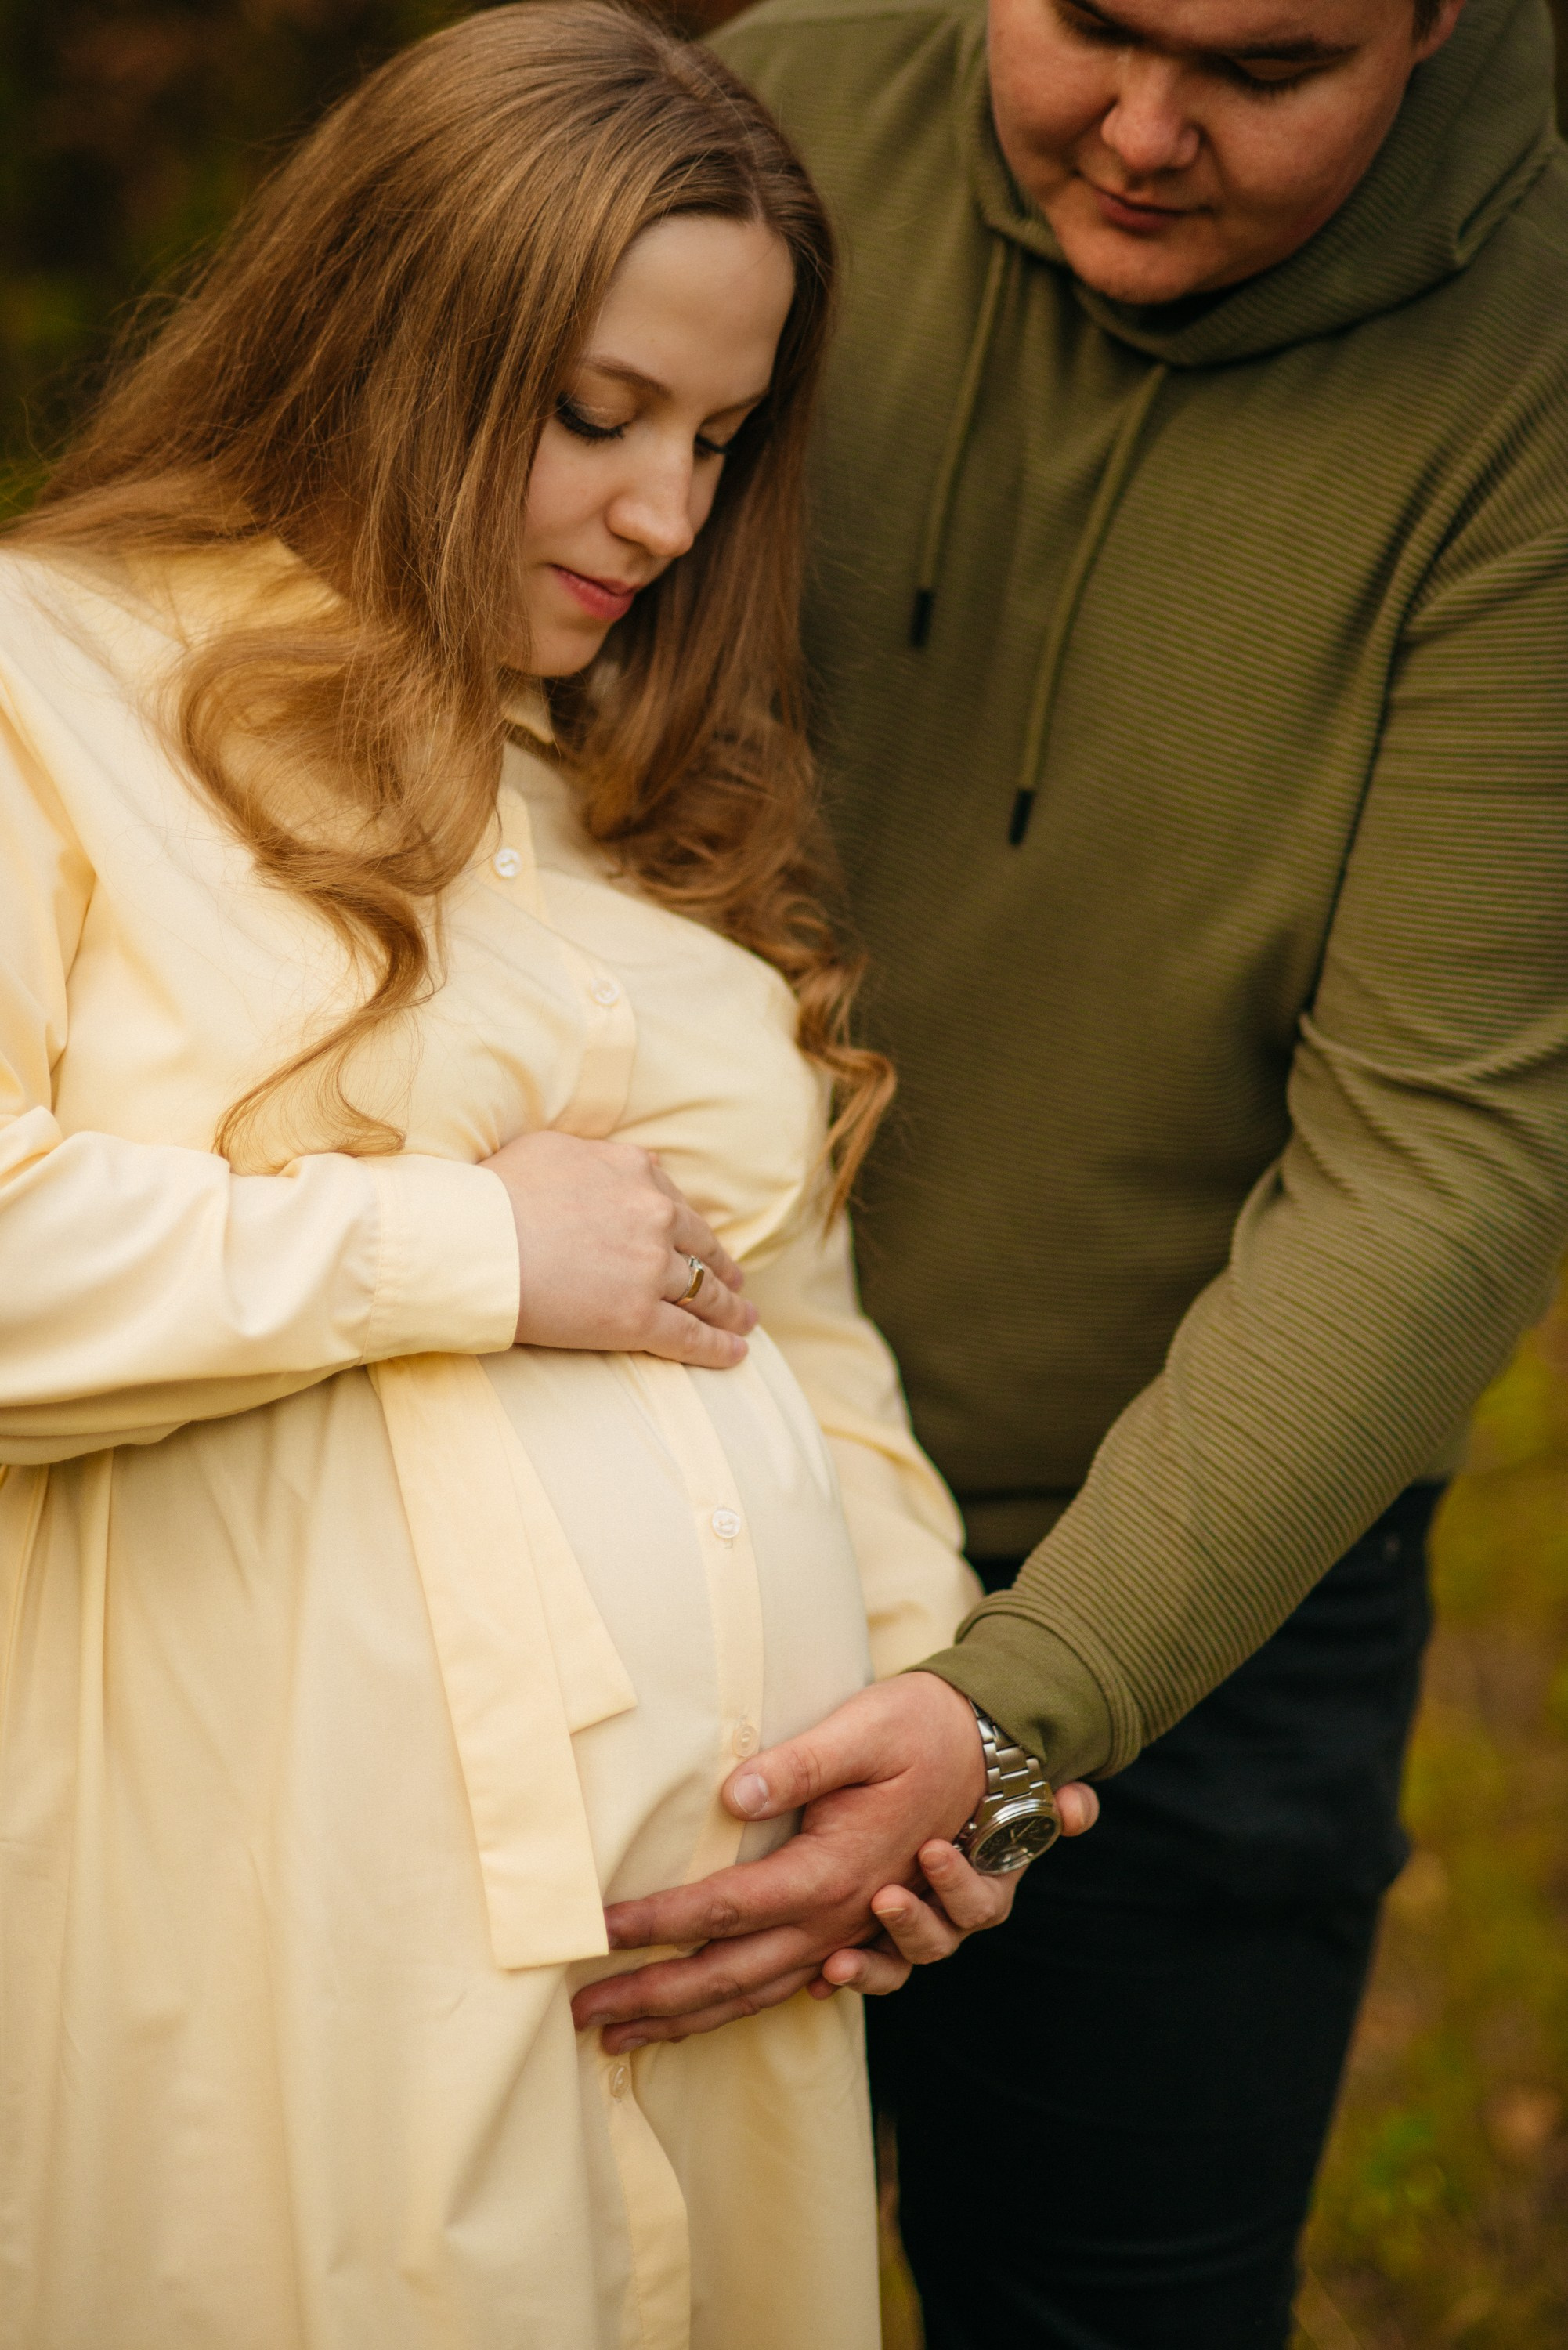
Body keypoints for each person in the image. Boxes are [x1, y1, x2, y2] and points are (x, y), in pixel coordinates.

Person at [0, 10, 1104, 2344]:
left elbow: (799, 1344)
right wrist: (467, 1246)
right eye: (595, 416)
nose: (664, 518)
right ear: (379, 326)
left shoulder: (631, 807)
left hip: (722, 2006)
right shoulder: (51, 681)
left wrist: (925, 1748)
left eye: (716, 439)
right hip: (292, 1954)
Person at [571, 0, 1568, 2337]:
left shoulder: (1528, 390)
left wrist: (1020, 1724)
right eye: (1089, 22)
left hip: (1177, 1600)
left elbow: (1433, 1163)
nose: (1136, 129)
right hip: (627, 1489)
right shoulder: (779, 112)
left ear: (1431, 29)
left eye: (1260, 63)